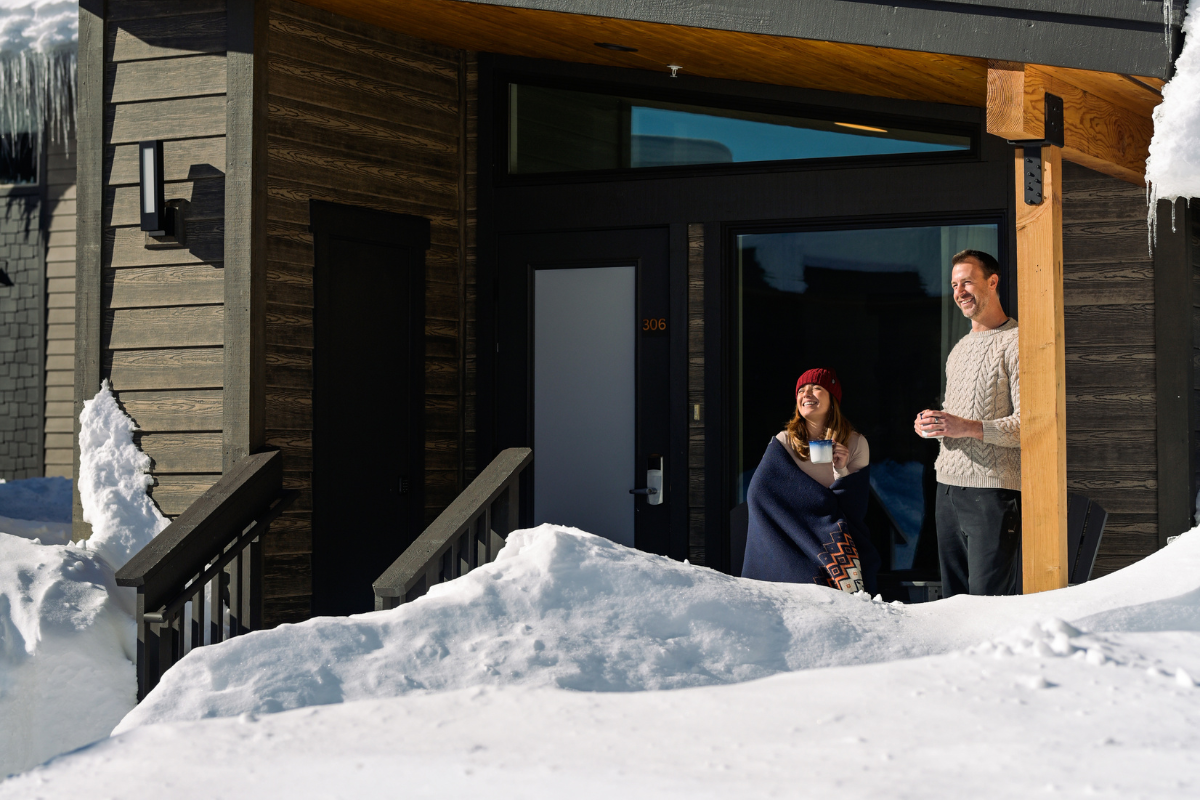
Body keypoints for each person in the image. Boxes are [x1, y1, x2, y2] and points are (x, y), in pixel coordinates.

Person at [915, 249, 1020, 598]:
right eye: (954, 285)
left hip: (992, 492)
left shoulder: (1017, 342)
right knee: (953, 603)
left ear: (992, 282)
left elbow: (1029, 426)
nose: (959, 292)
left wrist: (967, 427)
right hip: (946, 490)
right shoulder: (959, 349)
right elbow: (956, 415)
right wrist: (932, 425)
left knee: (986, 605)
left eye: (967, 282)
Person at [742, 368, 880, 594]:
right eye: (801, 391)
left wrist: (841, 470)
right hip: (790, 544)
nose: (806, 394)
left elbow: (854, 511)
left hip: (834, 541)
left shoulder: (856, 443)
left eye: (816, 388)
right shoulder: (783, 442)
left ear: (833, 399)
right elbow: (760, 495)